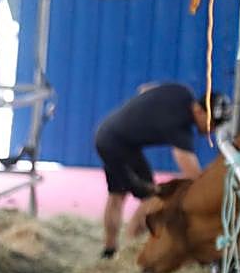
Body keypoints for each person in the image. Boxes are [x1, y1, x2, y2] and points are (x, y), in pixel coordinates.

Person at [93, 84, 231, 258]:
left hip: (112, 134)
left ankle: (109, 250)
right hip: (117, 145)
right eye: (212, 123)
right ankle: (130, 251)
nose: (212, 130)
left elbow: (145, 89)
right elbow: (193, 175)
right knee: (151, 197)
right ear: (199, 111)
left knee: (118, 194)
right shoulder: (179, 127)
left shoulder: (181, 91)